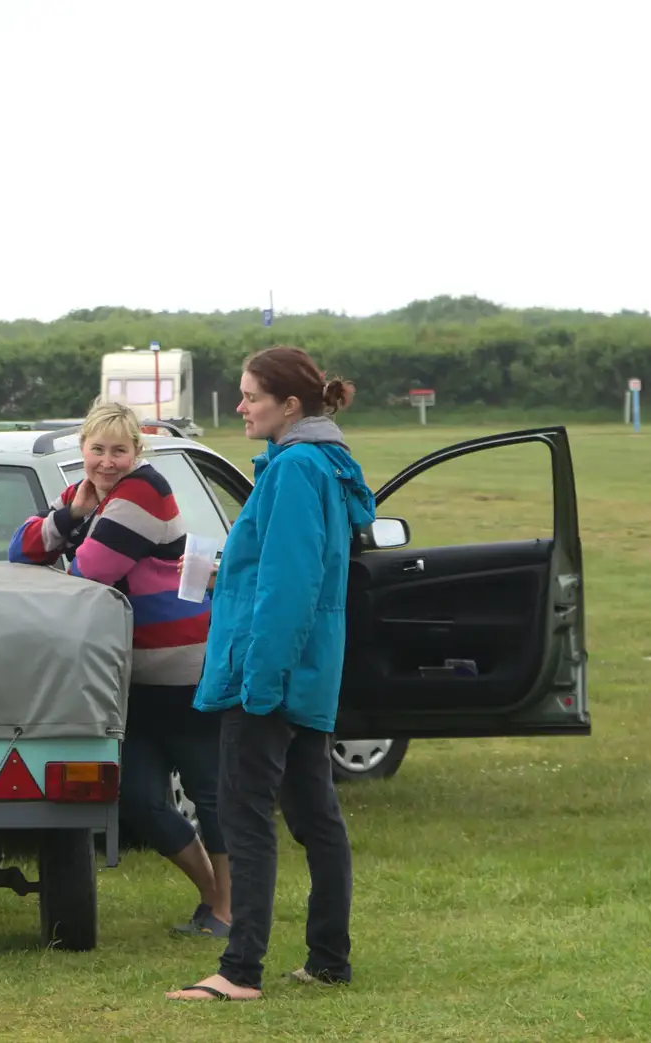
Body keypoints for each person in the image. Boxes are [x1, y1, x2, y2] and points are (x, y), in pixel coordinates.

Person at [166, 345, 376, 1003]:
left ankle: (239, 970)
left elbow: (290, 585)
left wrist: (259, 682)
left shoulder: (296, 469)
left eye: (251, 394)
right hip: (304, 673)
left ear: (289, 405)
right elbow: (287, 567)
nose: (240, 405)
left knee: (244, 814)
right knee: (315, 814)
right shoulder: (318, 465)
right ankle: (328, 959)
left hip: (271, 675)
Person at [9, 399, 231, 936]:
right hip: (129, 675)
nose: (108, 461)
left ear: (138, 452)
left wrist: (64, 540)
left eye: (120, 451)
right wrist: (69, 516)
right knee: (136, 796)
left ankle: (227, 909)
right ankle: (214, 898)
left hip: (182, 668)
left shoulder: (143, 491)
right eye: (98, 450)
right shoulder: (93, 497)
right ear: (83, 450)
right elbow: (21, 551)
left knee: (209, 791)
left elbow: (92, 573)